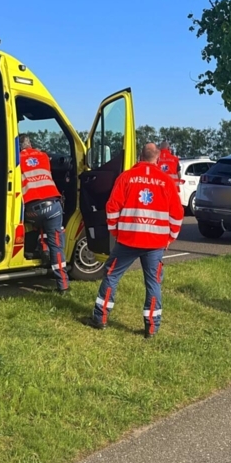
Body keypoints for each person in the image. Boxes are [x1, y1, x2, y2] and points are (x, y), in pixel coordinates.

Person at [89, 143, 184, 338]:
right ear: (157, 158)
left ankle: (100, 318)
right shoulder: (166, 181)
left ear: (139, 157)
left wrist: (115, 231)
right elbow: (177, 213)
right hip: (155, 242)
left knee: (111, 276)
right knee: (153, 283)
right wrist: (170, 237)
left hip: (128, 240)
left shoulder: (126, 177)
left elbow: (112, 207)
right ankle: (151, 328)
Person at [19, 134, 69, 294]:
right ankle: (63, 285)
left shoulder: (16, 159)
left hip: (31, 211)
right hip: (52, 207)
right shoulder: (43, 156)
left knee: (34, 224)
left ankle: (37, 249)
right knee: (57, 244)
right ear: (30, 143)